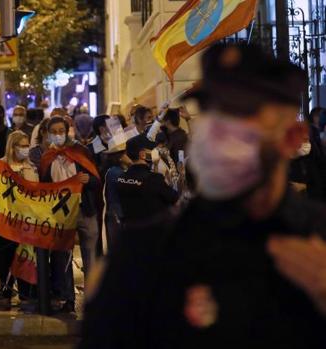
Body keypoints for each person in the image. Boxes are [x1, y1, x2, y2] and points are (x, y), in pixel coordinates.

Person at [80, 43, 326, 348]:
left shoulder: (318, 241)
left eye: (241, 112)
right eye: (212, 109)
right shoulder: (144, 253)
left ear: (292, 137)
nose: (219, 129)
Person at [40, 116, 101, 312]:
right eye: (54, 131)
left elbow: (96, 179)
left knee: (90, 256)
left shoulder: (81, 151)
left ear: (67, 131)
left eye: (61, 130)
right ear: (48, 133)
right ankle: (68, 299)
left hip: (85, 210)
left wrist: (86, 180)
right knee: (62, 258)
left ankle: (92, 298)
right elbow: (44, 187)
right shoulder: (47, 158)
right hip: (62, 215)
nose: (58, 134)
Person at [0, 131, 38, 302]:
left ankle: (24, 295)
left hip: (24, 221)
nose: (25, 149)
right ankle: (6, 293)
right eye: (22, 146)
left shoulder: (31, 167)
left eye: (27, 145)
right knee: (6, 259)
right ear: (12, 147)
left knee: (24, 258)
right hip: (5, 222)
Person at [116, 134, 178, 225]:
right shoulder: (153, 179)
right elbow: (173, 197)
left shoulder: (121, 178)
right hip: (154, 232)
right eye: (152, 149)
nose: (154, 151)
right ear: (142, 154)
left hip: (132, 233)